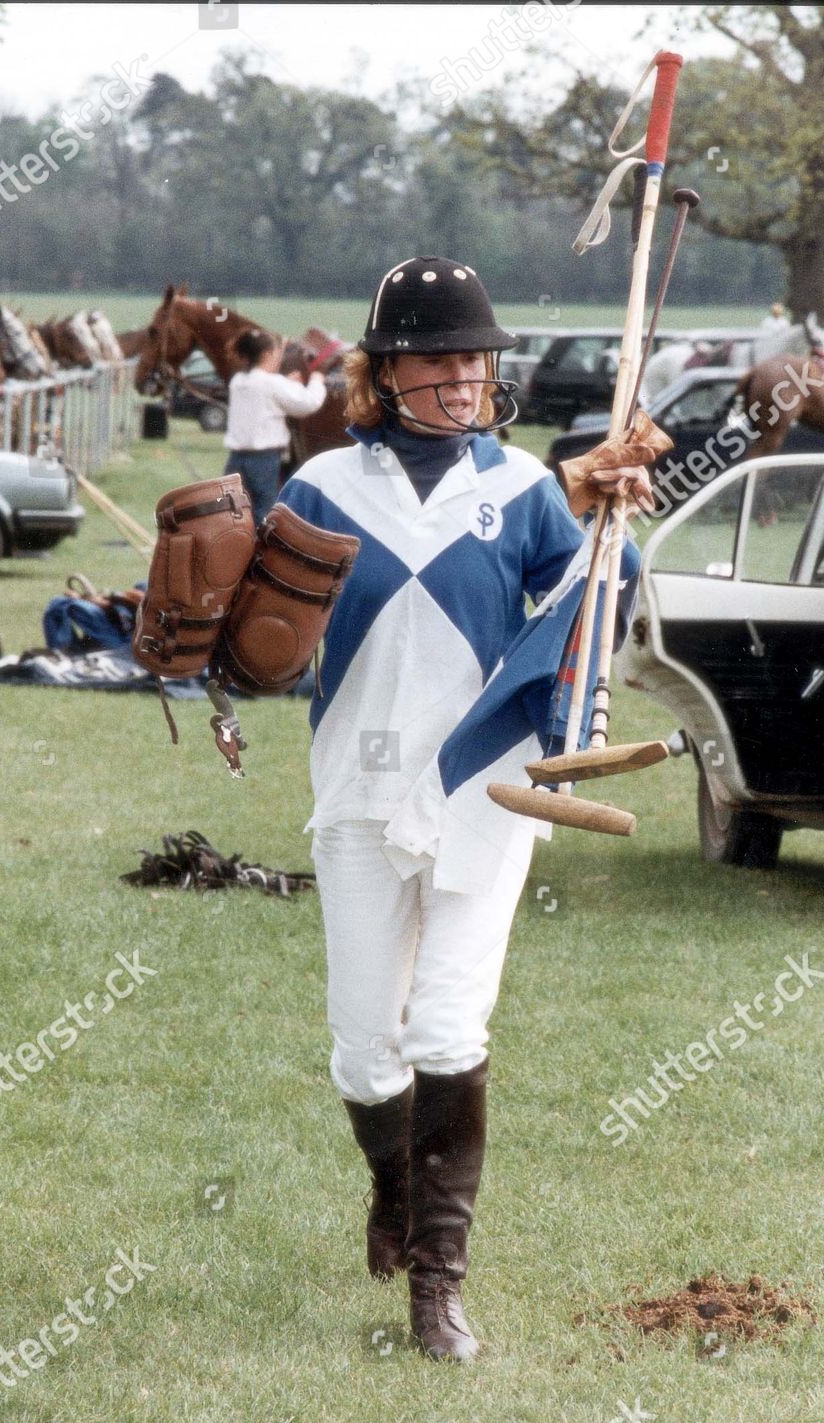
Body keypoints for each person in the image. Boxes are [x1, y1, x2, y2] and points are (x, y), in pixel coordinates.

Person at [275, 257, 654, 1362]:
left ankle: (437, 1287)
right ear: (383, 371)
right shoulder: (320, 489)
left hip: (489, 788)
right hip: (356, 786)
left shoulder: (530, 483)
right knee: (362, 1052)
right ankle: (393, 1188)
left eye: (475, 362)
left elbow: (582, 616)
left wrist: (612, 538)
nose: (462, 379)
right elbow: (269, 641)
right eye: (437, 360)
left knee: (446, 1027)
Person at [223, 328, 328, 525]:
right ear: (267, 355)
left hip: (236, 459)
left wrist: (287, 384)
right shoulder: (273, 384)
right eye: (278, 354)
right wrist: (317, 380)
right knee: (263, 512)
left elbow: (263, 395)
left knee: (234, 511)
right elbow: (308, 403)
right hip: (263, 461)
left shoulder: (238, 381)